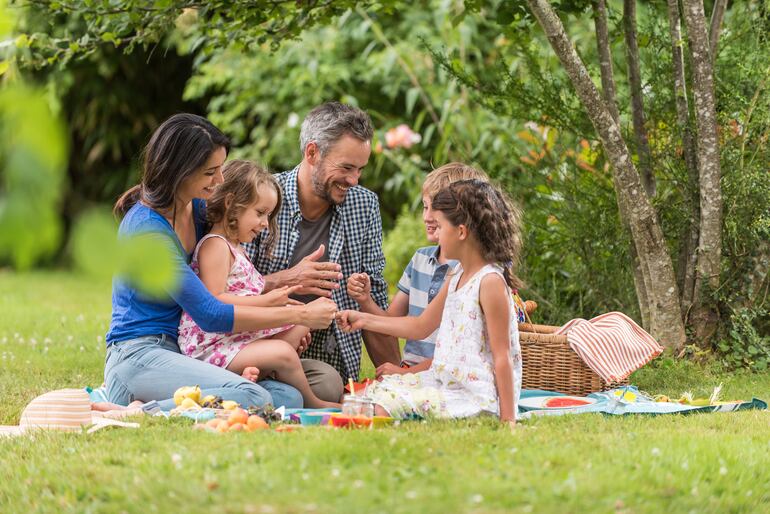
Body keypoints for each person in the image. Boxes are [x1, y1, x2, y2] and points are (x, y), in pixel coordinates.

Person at [104, 113, 337, 412]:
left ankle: (205, 392)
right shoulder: (147, 231)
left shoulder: (197, 210)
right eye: (210, 172)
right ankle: (138, 411)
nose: (220, 180)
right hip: (139, 355)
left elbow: (229, 282)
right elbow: (210, 313)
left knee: (289, 397)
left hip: (183, 352)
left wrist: (288, 279)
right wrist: (301, 315)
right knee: (255, 398)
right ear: (179, 171)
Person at [336, 179, 524, 426]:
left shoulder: (489, 282)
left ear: (460, 232)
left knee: (374, 409)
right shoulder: (458, 275)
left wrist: (508, 419)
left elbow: (503, 357)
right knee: (360, 397)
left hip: (474, 397)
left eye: (441, 226)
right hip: (443, 381)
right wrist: (363, 319)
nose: (436, 234)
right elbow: (420, 326)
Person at [244, 102, 400, 392]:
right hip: (257, 347)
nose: (354, 180)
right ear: (312, 153)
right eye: (346, 167)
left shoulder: (364, 205)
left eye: (360, 170)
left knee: (327, 385)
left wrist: (396, 380)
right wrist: (289, 279)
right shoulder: (261, 199)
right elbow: (226, 293)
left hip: (328, 357)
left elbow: (375, 298)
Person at [177, 160, 340, 408]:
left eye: (268, 215)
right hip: (212, 347)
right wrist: (267, 301)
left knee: (301, 325)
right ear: (231, 203)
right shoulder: (215, 246)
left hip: (234, 340)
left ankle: (257, 373)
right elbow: (214, 300)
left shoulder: (236, 248)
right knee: (284, 351)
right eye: (260, 213)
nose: (265, 223)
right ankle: (313, 402)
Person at [346, 163, 489, 378]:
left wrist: (407, 374)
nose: (427, 217)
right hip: (412, 370)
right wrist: (365, 300)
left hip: (447, 373)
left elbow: (457, 353)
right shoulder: (420, 260)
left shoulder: (469, 272)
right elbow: (391, 323)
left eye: (436, 209)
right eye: (425, 207)